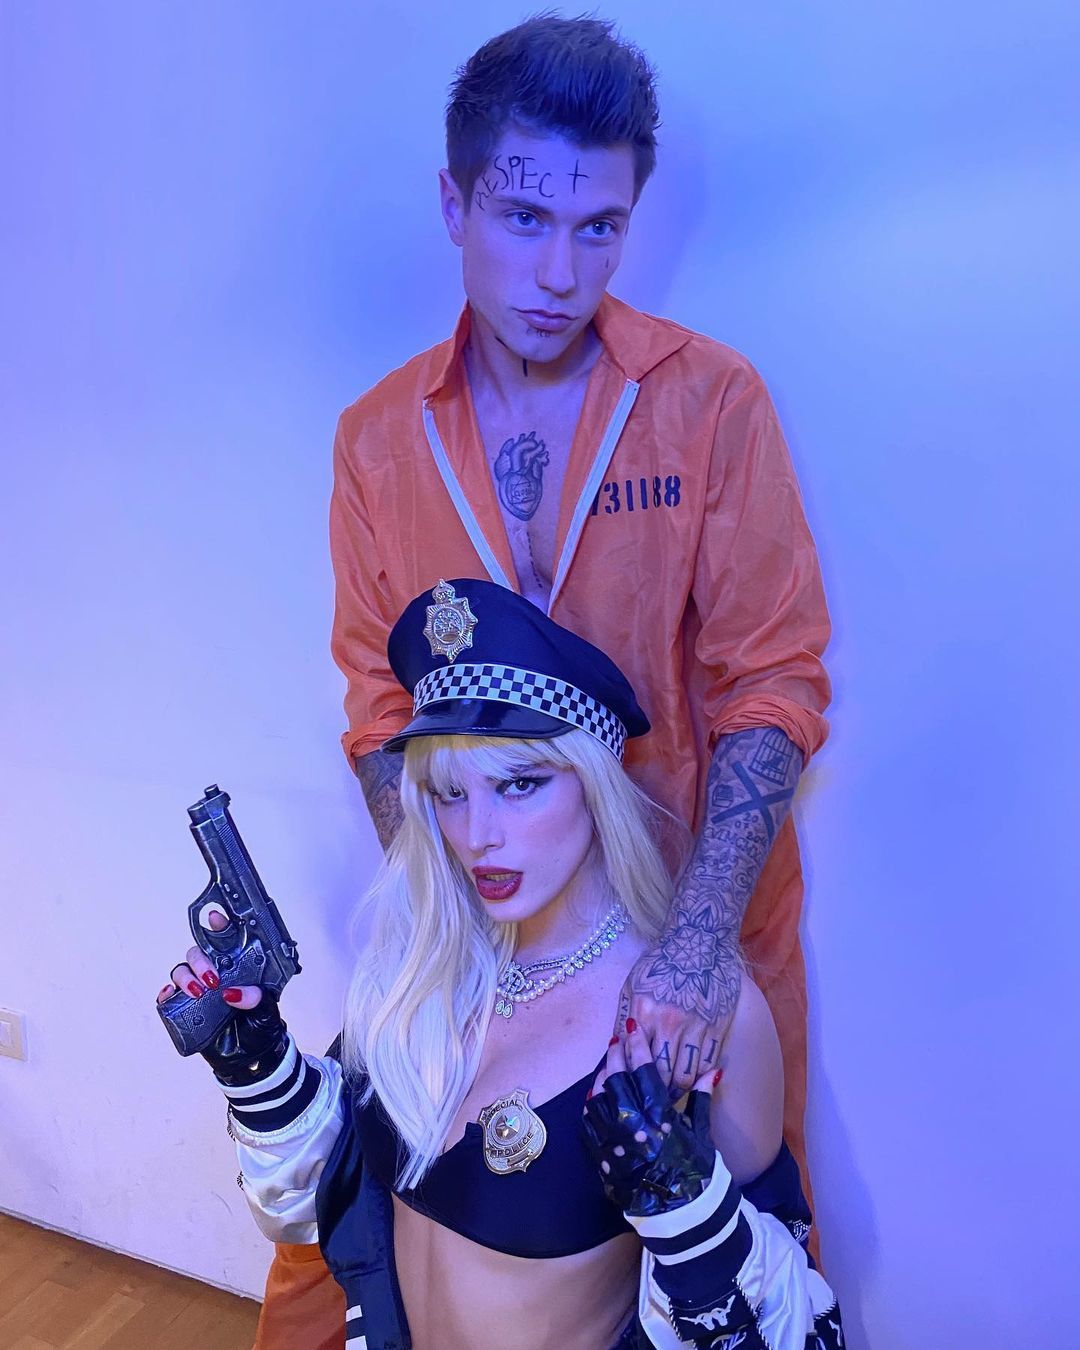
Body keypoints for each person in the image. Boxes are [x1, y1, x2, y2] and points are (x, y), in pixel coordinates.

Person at [279, 14, 832, 1347]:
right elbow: (381, 711)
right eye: (525, 218)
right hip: (475, 928)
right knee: (376, 1244)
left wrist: (693, 951)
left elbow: (774, 682)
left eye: (600, 228)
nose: (560, 272)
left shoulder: (711, 402)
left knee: (714, 1274)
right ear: (455, 203)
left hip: (681, 930)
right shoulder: (376, 439)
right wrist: (442, 926)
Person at [159, 581, 842, 1349]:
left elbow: (783, 1326)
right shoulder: (421, 970)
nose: (478, 833)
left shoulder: (700, 1016)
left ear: (595, 786)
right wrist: (257, 1065)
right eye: (450, 794)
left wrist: (689, 1207)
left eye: (520, 784)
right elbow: (316, 1206)